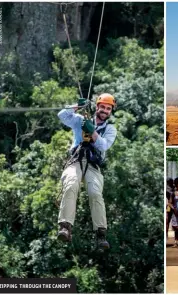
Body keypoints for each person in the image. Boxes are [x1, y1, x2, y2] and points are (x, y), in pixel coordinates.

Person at [57, 94, 117, 252]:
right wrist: (76, 105)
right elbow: (62, 115)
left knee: (95, 193)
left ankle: (101, 234)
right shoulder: (80, 120)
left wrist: (93, 132)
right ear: (97, 107)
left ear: (111, 111)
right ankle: (65, 227)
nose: (104, 110)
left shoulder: (110, 129)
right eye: (102, 107)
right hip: (76, 160)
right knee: (71, 184)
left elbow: (103, 146)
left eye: (108, 108)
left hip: (93, 165)